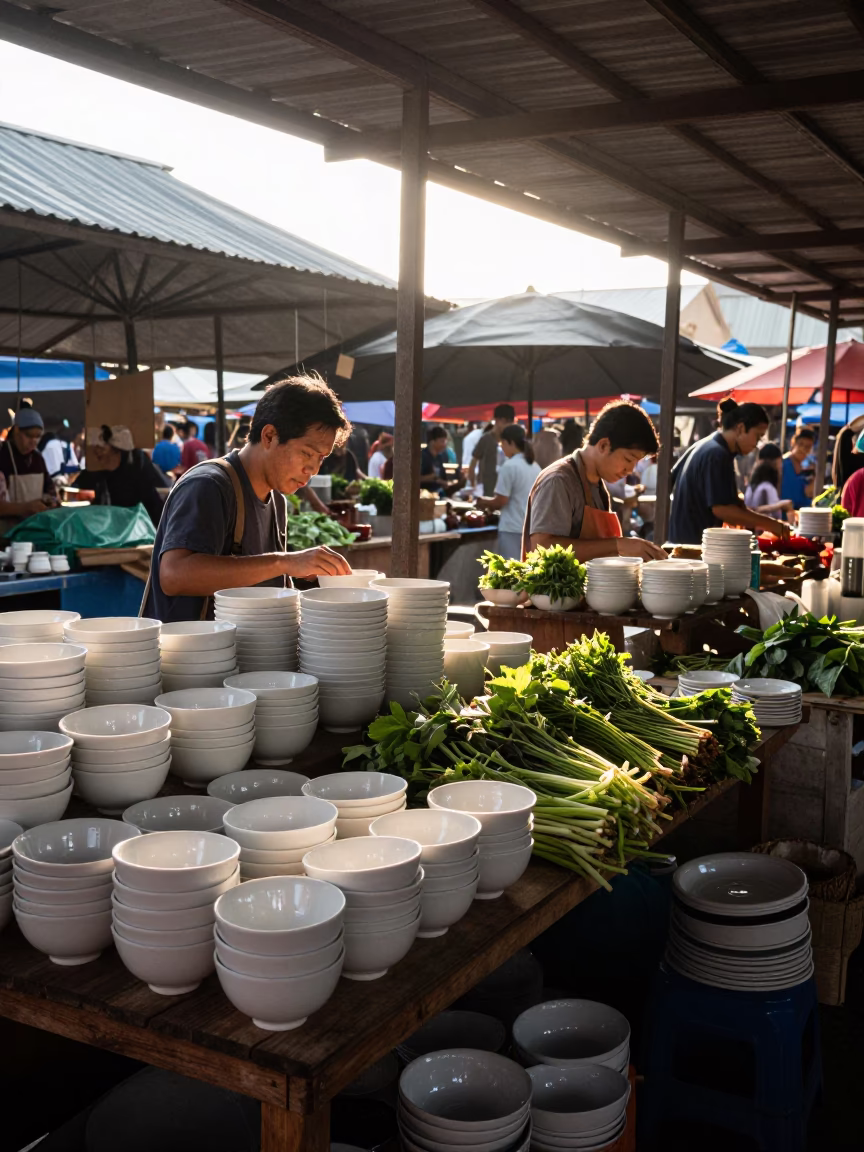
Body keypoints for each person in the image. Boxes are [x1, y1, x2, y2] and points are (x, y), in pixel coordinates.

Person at [142, 376, 352, 623]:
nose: (314, 469)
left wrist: (304, 574)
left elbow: (261, 581)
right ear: (270, 436)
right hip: (190, 658)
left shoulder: (277, 500)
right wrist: (284, 562)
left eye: (321, 457)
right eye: (307, 453)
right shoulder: (208, 485)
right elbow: (174, 576)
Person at [523, 401, 666, 562]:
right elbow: (541, 548)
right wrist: (618, 545)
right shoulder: (558, 480)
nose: (631, 470)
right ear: (604, 445)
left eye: (636, 463)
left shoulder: (598, 485)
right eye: (628, 459)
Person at [669, 399, 791, 545]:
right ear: (740, 428)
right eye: (757, 436)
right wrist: (772, 525)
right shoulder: (717, 454)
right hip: (692, 545)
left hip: (680, 539)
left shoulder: (704, 445)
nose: (756, 444)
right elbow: (722, 509)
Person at [74, 425, 166, 526]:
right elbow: (76, 489)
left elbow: (151, 506)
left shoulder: (139, 470)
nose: (97, 452)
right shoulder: (96, 472)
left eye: (102, 448)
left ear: (117, 451)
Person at [477, 424, 541, 560]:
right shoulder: (535, 467)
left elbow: (501, 500)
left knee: (511, 574)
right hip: (530, 529)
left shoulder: (509, 466)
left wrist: (482, 502)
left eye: (502, 443)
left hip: (511, 528)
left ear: (510, 442)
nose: (501, 447)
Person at [0, 408, 58, 532]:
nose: (33, 442)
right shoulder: (3, 455)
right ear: (16, 431)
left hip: (33, 529)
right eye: (29, 435)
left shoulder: (38, 459)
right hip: (5, 532)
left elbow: (50, 490)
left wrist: (51, 501)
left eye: (38, 437)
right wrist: (25, 508)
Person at [469, 404, 516, 496]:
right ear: (497, 420)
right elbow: (473, 462)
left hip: (506, 490)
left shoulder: (512, 441)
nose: (508, 425)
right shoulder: (486, 439)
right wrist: (473, 485)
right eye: (505, 422)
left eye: (510, 422)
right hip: (487, 489)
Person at [744, 443, 794, 517]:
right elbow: (776, 515)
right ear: (776, 462)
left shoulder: (751, 486)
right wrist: (780, 505)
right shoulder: (767, 488)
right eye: (780, 462)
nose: (781, 466)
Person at [781, 426, 815, 509]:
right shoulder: (782, 464)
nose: (803, 449)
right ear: (793, 443)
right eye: (800, 444)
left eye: (807, 447)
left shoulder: (806, 469)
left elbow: (807, 493)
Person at [420, 426, 451, 492]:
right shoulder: (422, 456)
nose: (444, 445)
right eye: (442, 441)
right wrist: (433, 478)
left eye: (445, 441)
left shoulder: (440, 457)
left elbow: (443, 479)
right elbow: (416, 478)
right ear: (432, 442)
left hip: (439, 493)